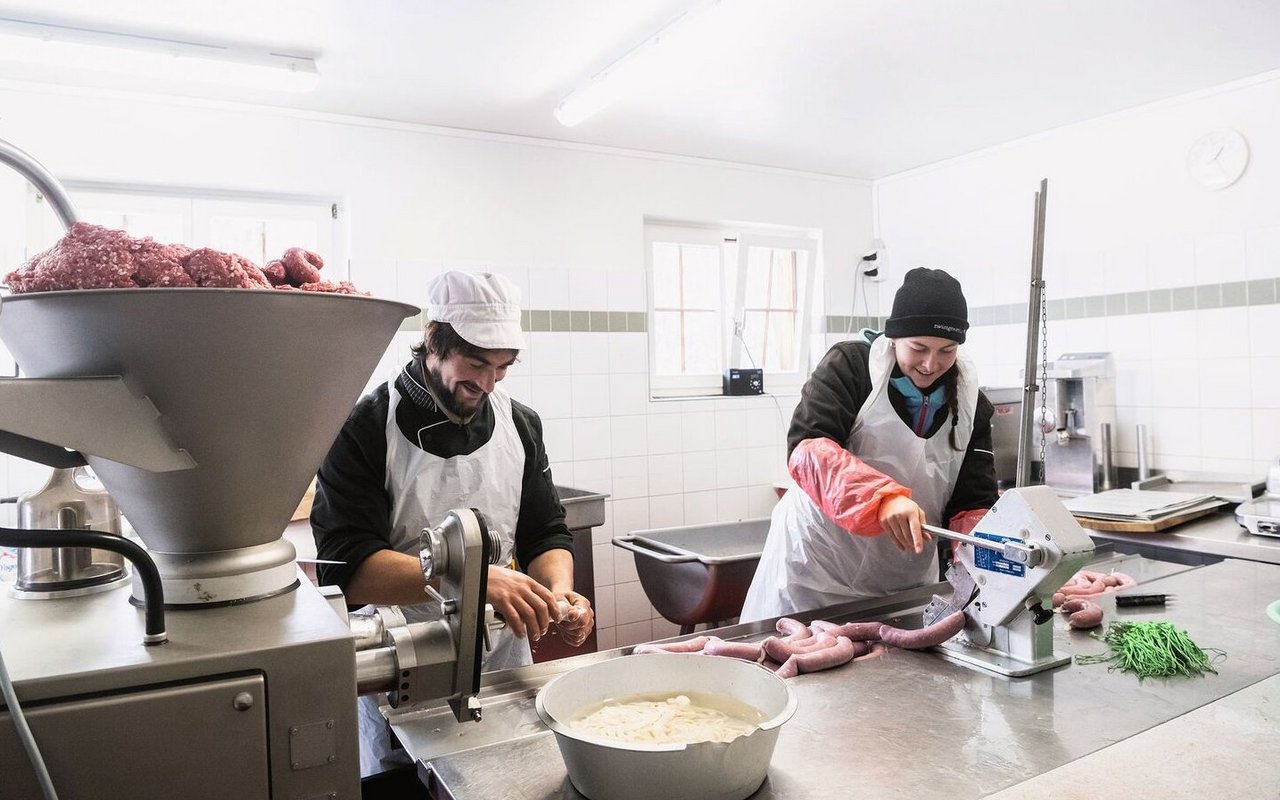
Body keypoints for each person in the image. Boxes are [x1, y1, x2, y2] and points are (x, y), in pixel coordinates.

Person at [310, 269, 594, 775]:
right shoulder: (362, 427)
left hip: (502, 660)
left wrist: (560, 593)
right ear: (433, 340)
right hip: (398, 665)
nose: (486, 383)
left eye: (502, 368)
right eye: (475, 363)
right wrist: (474, 581)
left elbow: (545, 530)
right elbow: (349, 568)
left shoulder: (520, 424)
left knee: (509, 777)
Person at [740, 267, 997, 621]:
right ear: (893, 338)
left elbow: (974, 502)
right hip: (815, 572)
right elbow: (809, 451)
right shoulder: (850, 366)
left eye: (946, 350)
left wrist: (984, 568)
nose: (930, 364)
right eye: (918, 348)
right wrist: (882, 499)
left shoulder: (970, 404)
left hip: (902, 580)